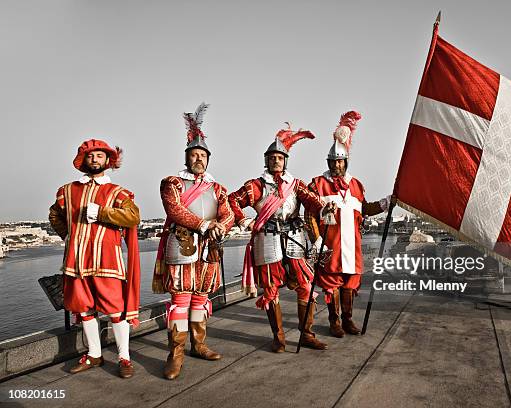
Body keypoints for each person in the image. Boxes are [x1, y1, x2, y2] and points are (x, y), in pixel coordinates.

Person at [228, 124, 336, 352]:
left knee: (306, 286)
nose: (276, 161)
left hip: (295, 238)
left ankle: (306, 334)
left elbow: (314, 201)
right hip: (267, 240)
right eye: (272, 157)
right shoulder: (255, 185)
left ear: (285, 161)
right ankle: (278, 338)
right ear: (266, 160)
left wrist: (325, 208)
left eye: (280, 157)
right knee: (270, 291)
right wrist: (243, 221)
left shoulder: (295, 184)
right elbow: (232, 201)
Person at [153, 102, 234, 380]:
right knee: (180, 300)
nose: (198, 159)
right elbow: (174, 209)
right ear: (187, 157)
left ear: (208, 159)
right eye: (194, 154)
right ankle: (175, 354)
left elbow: (228, 214)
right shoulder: (172, 182)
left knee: (200, 299)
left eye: (203, 155)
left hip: (209, 248)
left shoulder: (218, 188)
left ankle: (199, 345)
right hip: (183, 244)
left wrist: (221, 227)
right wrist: (204, 224)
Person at [49, 139, 141, 378]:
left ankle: (124, 357)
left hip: (107, 261)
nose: (94, 160)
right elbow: (54, 214)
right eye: (90, 156)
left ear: (107, 160)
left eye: (99, 155)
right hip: (76, 261)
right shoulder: (67, 191)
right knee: (85, 309)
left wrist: (102, 213)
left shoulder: (117, 192)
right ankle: (94, 354)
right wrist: (68, 235)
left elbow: (133, 217)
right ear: (83, 160)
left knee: (115, 310)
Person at [305, 111, 392, 337]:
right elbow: (309, 217)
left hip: (352, 246)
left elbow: (364, 209)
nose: (337, 165)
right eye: (333, 161)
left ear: (346, 161)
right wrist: (317, 243)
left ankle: (348, 320)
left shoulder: (356, 185)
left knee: (350, 283)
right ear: (329, 162)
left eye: (340, 161)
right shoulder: (317, 185)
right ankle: (334, 322)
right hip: (330, 245)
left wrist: (387, 203)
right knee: (331, 284)